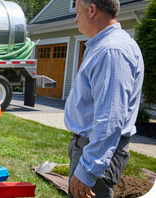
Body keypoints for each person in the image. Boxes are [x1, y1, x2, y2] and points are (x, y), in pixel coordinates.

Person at [64, 0, 144, 197]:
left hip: (96, 150)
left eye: (77, 12)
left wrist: (87, 170)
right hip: (91, 147)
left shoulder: (112, 51)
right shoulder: (104, 46)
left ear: (92, 10)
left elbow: (110, 119)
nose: (75, 19)